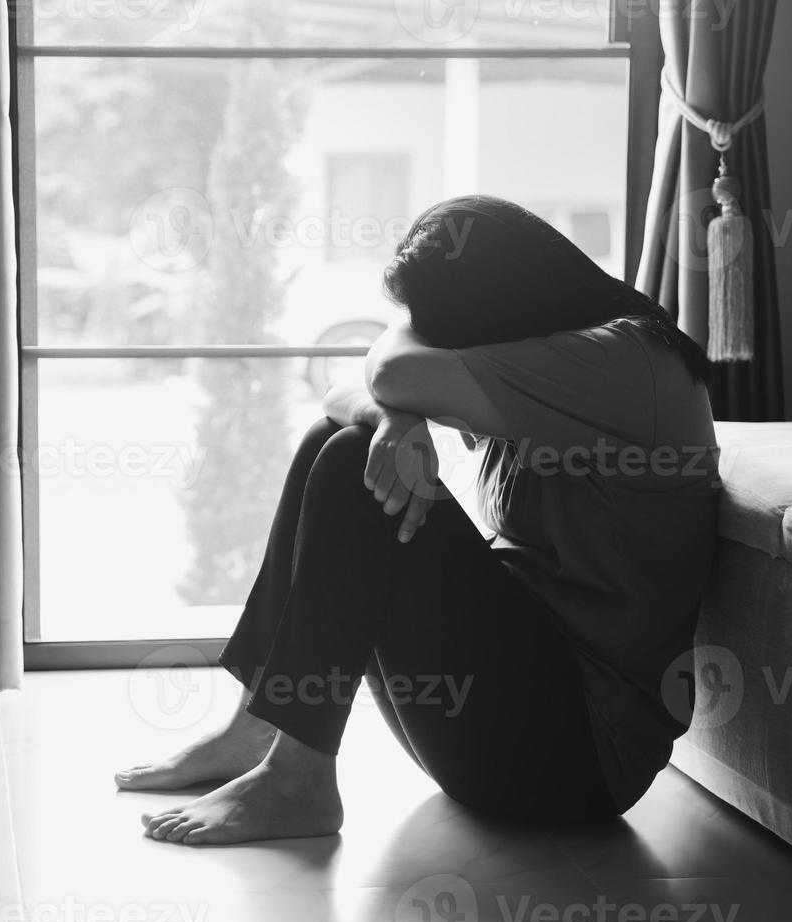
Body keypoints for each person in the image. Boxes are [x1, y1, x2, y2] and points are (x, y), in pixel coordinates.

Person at [115, 195, 721, 846]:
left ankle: (297, 783)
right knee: (336, 438)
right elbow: (349, 392)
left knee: (352, 460)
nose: (427, 335)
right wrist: (392, 419)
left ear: (499, 301)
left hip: (576, 761)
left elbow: (393, 368)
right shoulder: (543, 343)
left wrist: (390, 404)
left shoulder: (622, 363)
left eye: (434, 322)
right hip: (506, 716)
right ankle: (257, 730)